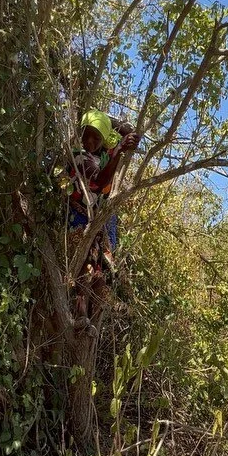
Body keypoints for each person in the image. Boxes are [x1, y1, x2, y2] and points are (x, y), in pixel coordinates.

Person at [66, 110, 140, 330]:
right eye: (86, 135)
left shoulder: (104, 154)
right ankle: (80, 313)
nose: (90, 141)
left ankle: (94, 320)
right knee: (85, 264)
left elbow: (133, 134)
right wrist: (118, 149)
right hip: (80, 216)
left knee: (99, 268)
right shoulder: (79, 156)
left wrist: (113, 129)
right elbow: (98, 181)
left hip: (98, 217)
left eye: (96, 137)